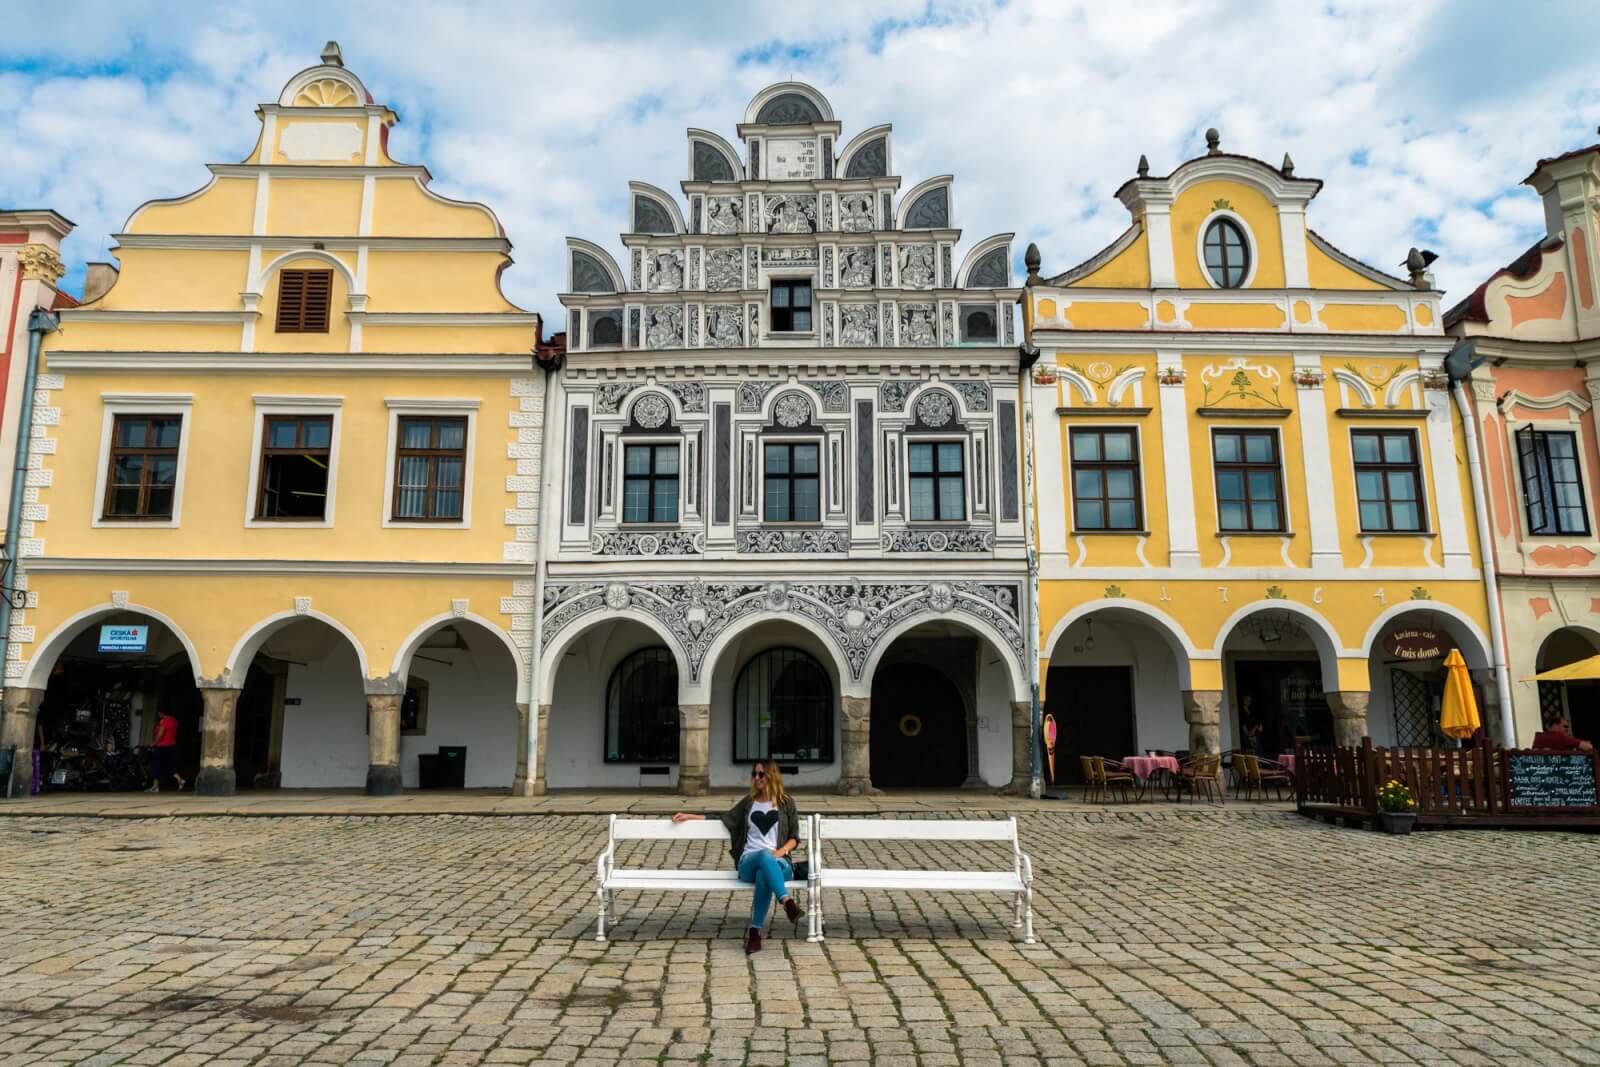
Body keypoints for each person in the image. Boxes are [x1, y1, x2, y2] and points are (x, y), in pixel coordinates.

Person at [673, 759, 803, 954]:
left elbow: (794, 837)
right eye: (754, 774)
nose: (756, 778)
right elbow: (724, 817)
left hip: (779, 863)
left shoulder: (786, 803)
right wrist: (691, 816)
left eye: (761, 774)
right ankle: (786, 901)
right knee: (762, 858)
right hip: (748, 862)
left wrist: (780, 852)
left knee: (764, 872)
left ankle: (755, 932)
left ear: (771, 776)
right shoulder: (749, 803)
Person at [147, 709, 186, 792]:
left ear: (161, 713)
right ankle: (179, 779)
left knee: (156, 764)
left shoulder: (164, 721)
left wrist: (154, 743)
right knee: (169, 764)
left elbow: (161, 734)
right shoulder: (175, 721)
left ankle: (155, 786)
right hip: (171, 745)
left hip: (162, 746)